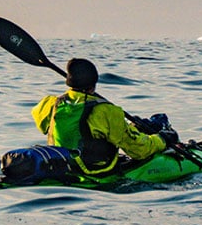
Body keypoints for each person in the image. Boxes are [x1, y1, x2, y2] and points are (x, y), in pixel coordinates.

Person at [31, 58, 179, 176]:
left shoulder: (50, 104)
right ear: (94, 84)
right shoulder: (107, 111)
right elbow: (138, 150)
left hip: (62, 169)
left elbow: (47, 122)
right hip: (94, 173)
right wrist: (162, 139)